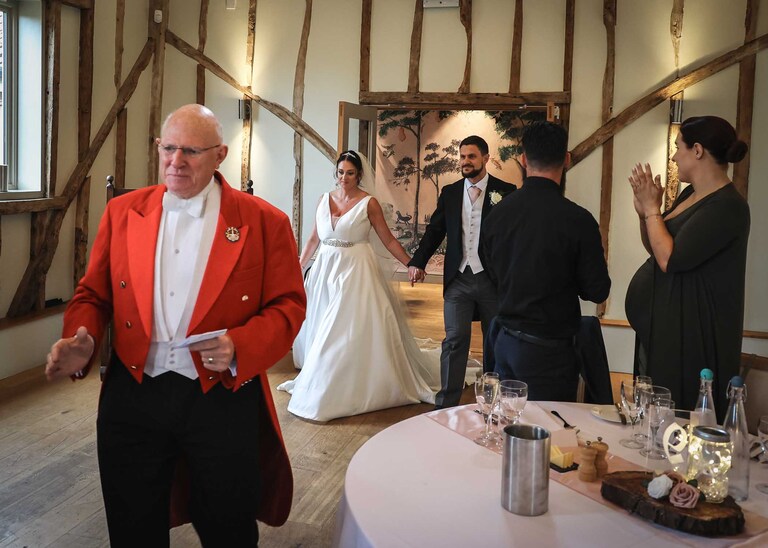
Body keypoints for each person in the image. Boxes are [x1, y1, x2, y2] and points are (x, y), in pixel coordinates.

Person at [45, 104, 306, 547]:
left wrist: (239, 344)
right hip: (134, 394)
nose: (175, 161)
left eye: (190, 151)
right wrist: (82, 339)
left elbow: (288, 305)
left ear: (220, 154)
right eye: (168, 148)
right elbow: (94, 294)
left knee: (228, 525)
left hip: (219, 396)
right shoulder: (123, 212)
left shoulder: (264, 221)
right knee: (132, 524)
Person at [278, 150, 458, 422]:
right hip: (325, 270)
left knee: (339, 327)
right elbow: (314, 238)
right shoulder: (323, 200)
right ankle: (327, 374)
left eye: (350, 173)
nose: (344, 178)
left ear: (359, 175)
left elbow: (388, 240)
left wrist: (413, 263)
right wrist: (298, 267)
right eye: (340, 172)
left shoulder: (368, 203)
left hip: (355, 271)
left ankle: (329, 385)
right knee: (322, 322)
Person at [625, 115, 750, 419]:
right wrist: (645, 213)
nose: (673, 156)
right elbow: (658, 248)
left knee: (677, 419)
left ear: (697, 150)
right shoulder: (689, 194)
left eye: (678, 147)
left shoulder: (727, 207)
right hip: (662, 323)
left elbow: (671, 259)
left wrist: (654, 210)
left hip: (691, 330)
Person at [482, 121, 611, 402]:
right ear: (566, 160)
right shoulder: (578, 220)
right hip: (550, 348)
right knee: (547, 429)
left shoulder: (498, 215)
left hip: (503, 339)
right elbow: (597, 290)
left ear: (524, 159)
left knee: (506, 422)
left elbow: (492, 270)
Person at [408, 135, 515, 408]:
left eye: (471, 157)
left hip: (492, 280)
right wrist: (418, 262)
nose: (465, 162)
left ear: (485, 159)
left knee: (495, 341)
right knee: (455, 340)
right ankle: (446, 403)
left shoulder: (507, 192)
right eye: (462, 156)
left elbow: (515, 237)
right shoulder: (451, 192)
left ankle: (494, 403)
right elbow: (435, 231)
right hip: (458, 278)